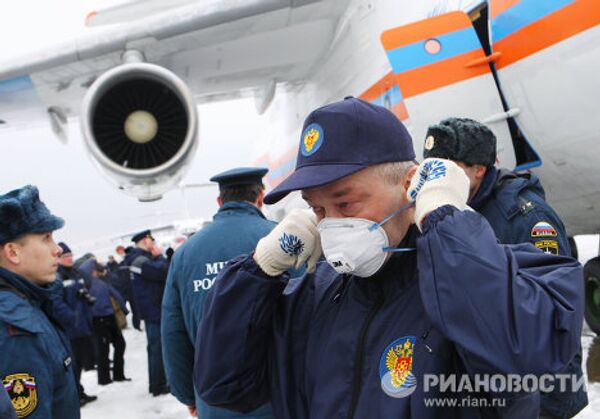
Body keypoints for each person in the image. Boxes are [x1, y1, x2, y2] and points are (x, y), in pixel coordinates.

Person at [193, 98, 584, 418]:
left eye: (345, 202)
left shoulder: (487, 272)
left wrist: (443, 220)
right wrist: (260, 270)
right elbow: (225, 384)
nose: (331, 224)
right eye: (318, 210)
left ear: (410, 184)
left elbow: (528, 358)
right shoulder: (314, 296)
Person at [422, 117, 588, 418]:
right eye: (432, 167)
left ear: (479, 170)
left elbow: (556, 315)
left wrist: (547, 407)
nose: (436, 178)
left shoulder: (525, 217)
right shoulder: (448, 212)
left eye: (447, 168)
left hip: (538, 395)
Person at [162, 167, 276, 418]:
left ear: (219, 202)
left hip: (214, 400)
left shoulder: (185, 254)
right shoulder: (279, 239)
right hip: (279, 396)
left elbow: (174, 331)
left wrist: (189, 394)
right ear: (259, 198)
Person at [0, 185, 80, 418]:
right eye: (46, 238)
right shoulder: (16, 327)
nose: (57, 249)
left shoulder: (28, 304)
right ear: (13, 252)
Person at [51, 242, 98, 406]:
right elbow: (56, 303)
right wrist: (73, 318)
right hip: (70, 330)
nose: (69, 258)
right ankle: (75, 397)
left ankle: (79, 393)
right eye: (65, 256)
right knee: (73, 367)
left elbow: (84, 289)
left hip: (82, 326)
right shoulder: (57, 277)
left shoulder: (74, 273)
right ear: (58, 259)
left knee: (78, 365)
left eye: (70, 255)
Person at [125, 230, 169, 396]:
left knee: (157, 348)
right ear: (145, 241)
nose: (154, 243)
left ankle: (159, 383)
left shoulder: (140, 258)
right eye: (151, 240)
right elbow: (161, 272)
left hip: (152, 308)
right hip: (153, 310)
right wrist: (159, 257)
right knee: (156, 349)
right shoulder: (139, 260)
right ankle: (158, 385)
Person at [80, 259, 129, 385]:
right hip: (98, 319)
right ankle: (105, 379)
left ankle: (117, 375)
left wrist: (123, 308)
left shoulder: (102, 281)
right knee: (103, 349)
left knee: (117, 345)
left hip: (109, 316)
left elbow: (116, 291)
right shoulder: (88, 283)